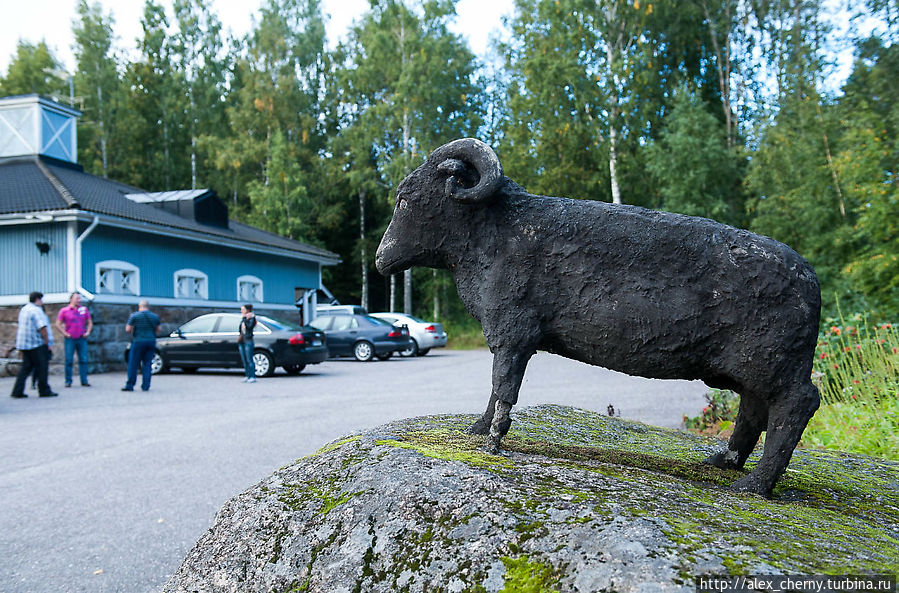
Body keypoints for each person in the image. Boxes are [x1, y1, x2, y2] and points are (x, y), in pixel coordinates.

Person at [10, 291, 57, 398]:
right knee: (42, 367)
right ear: (38, 299)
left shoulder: (24, 309)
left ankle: (17, 391)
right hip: (36, 344)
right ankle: (44, 390)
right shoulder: (37, 310)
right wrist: (46, 341)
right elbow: (42, 327)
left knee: (25, 368)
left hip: (24, 343)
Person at [56, 292, 93, 388]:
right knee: (69, 360)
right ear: (71, 299)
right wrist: (65, 333)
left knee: (83, 359)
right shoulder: (64, 311)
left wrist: (87, 332)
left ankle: (84, 380)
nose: (79, 300)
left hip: (81, 337)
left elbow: (89, 322)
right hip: (70, 338)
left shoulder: (84, 310)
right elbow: (58, 324)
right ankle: (68, 381)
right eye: (77, 298)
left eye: (80, 299)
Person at [122, 300, 160, 392]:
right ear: (148, 307)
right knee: (147, 363)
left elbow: (128, 329)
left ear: (139, 306)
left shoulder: (134, 316)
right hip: (151, 341)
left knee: (133, 364)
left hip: (138, 341)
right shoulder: (155, 317)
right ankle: (146, 385)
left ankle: (130, 385)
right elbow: (158, 329)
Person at [238, 304, 257, 383]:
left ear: (247, 310)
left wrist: (245, 319)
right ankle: (247, 375)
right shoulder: (243, 318)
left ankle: (252, 376)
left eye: (243, 309)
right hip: (242, 340)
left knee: (249, 359)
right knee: (244, 359)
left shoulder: (251, 318)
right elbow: (240, 329)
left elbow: (249, 327)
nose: (241, 311)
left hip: (248, 340)